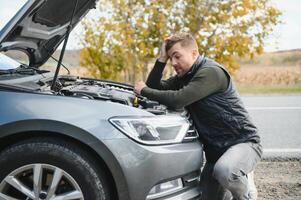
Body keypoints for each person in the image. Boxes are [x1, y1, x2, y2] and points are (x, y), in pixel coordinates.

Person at [134, 33, 262, 200]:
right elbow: (154, 86)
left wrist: (143, 90)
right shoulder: (184, 77)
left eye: (177, 56)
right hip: (216, 154)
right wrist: (161, 58)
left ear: (194, 53)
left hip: (243, 143)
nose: (173, 63)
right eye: (171, 58)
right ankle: (234, 176)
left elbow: (178, 99)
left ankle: (246, 191)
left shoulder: (211, 72)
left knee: (225, 171)